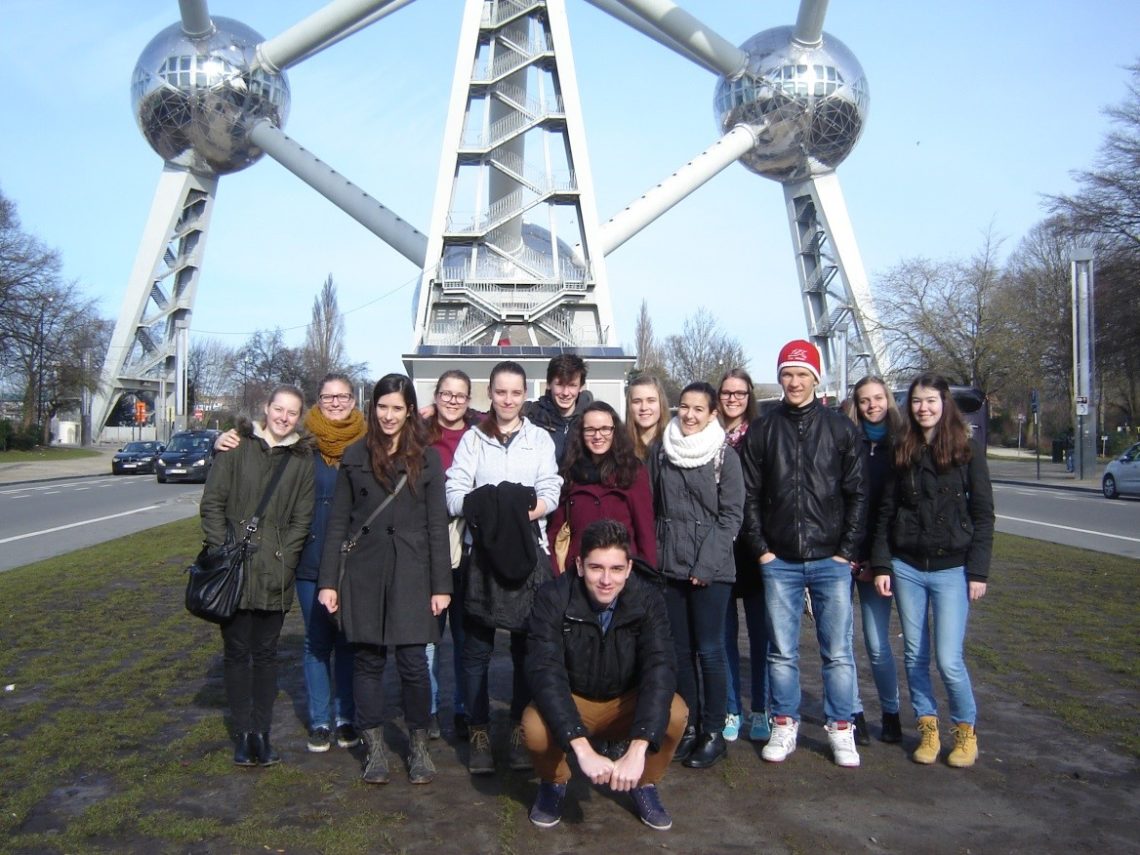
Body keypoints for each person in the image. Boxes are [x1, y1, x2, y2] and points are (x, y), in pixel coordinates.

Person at [216, 374, 364, 754]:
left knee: (348, 641)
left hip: (353, 557)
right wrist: (223, 442)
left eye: (342, 396)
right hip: (309, 556)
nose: (335, 403)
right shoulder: (302, 445)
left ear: (353, 399)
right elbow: (258, 461)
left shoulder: (368, 441)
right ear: (317, 402)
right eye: (328, 397)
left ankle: (346, 716)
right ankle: (319, 720)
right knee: (317, 640)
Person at [317, 374, 452, 785]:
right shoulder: (354, 455)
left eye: (397, 407)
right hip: (365, 571)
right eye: (382, 406)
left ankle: (416, 743)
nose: (389, 415)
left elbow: (435, 525)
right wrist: (329, 581)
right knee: (368, 662)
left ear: (409, 410)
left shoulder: (426, 459)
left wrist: (441, 585)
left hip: (413, 570)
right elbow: (338, 522)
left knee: (413, 664)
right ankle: (373, 744)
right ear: (372, 408)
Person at [739, 340, 867, 768]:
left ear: (815, 378)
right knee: (782, 651)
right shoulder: (763, 429)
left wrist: (846, 551)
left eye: (801, 374)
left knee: (838, 651)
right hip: (781, 561)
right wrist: (762, 550)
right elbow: (749, 496)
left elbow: (857, 494)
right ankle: (784, 721)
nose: (794, 382)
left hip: (831, 559)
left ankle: (841, 727)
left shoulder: (840, 429)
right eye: (787, 374)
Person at [524, 519, 688, 831]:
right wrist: (581, 748)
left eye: (615, 569)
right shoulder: (552, 598)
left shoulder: (648, 599)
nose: (606, 580)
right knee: (534, 726)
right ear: (580, 565)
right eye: (596, 567)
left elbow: (660, 668)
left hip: (625, 700)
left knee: (677, 714)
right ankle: (553, 782)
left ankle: (644, 782)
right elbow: (545, 671)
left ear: (628, 568)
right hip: (575, 698)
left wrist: (638, 748)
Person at [872, 372, 994, 768]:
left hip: (951, 570)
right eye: (917, 401)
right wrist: (882, 563)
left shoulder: (967, 450)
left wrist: (978, 572)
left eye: (931, 401)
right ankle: (928, 727)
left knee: (948, 658)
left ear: (944, 405)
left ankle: (965, 731)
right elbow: (886, 512)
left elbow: (983, 515)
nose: (924, 408)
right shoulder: (901, 450)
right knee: (914, 655)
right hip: (907, 566)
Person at [445, 360, 562, 775]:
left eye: (515, 392)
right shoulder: (474, 439)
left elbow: (551, 488)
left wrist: (520, 511)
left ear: (525, 394)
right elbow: (454, 492)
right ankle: (478, 729)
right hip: (483, 557)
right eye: (500, 392)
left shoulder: (541, 440)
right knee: (475, 650)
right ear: (490, 394)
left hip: (529, 554)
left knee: (525, 648)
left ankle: (518, 729)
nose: (508, 399)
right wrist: (487, 507)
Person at [200, 385, 315, 767]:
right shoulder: (237, 448)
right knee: (236, 652)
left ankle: (261, 734)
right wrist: (222, 550)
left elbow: (302, 517)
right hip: (234, 566)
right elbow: (213, 503)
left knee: (266, 655)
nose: (284, 417)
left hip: (274, 568)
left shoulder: (301, 460)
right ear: (266, 409)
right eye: (278, 409)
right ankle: (243, 733)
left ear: (300, 416)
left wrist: (287, 556)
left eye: (292, 412)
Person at [649, 381, 744, 769]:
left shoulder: (725, 457)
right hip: (671, 566)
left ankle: (713, 731)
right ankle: (688, 726)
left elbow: (731, 516)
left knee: (710, 651)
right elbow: (655, 508)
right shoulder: (662, 451)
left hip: (712, 570)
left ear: (712, 414)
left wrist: (705, 566)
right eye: (684, 407)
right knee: (680, 653)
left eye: (698, 409)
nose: (688, 415)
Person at [843, 376, 904, 745]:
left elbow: (895, 510)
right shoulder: (848, 440)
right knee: (841, 642)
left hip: (879, 557)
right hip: (844, 555)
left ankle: (891, 712)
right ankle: (853, 713)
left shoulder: (900, 446)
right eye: (864, 400)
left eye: (878, 398)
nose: (872, 405)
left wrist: (878, 561)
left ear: (888, 400)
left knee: (878, 642)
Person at [424, 368, 482, 740]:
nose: (452, 401)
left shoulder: (479, 434)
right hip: (431, 542)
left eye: (460, 395)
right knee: (429, 636)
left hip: (470, 544)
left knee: (465, 635)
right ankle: (428, 708)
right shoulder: (420, 433)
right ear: (437, 394)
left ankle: (462, 707)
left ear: (468, 399)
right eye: (446, 393)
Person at [717, 368, 771, 744]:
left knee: (762, 637)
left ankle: (762, 709)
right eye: (727, 392)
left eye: (740, 393)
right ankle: (731, 707)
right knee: (723, 638)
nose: (733, 398)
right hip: (720, 551)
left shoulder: (763, 435)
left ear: (749, 396)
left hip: (756, 549)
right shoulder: (706, 436)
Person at [547, 401, 656, 574]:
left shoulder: (632, 471)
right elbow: (555, 532)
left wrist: (648, 579)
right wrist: (555, 574)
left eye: (605, 429)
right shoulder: (569, 472)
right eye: (590, 430)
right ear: (581, 434)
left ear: (615, 432)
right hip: (577, 573)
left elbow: (645, 532)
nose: (598, 436)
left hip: (620, 575)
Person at [523, 353, 594, 464]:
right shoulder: (530, 416)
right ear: (548, 384)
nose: (565, 393)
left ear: (581, 387)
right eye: (560, 384)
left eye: (572, 385)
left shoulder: (593, 419)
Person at [626, 374, 669, 463]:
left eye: (651, 401)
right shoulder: (620, 448)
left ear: (661, 404)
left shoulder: (675, 445)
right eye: (637, 401)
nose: (644, 407)